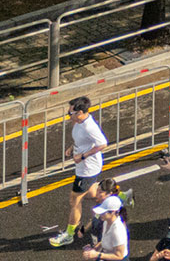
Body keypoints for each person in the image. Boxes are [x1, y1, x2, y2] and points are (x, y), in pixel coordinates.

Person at [50, 96, 109, 246]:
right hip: (85, 167)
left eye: (71, 113)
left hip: (87, 170)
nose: (68, 116)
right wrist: (72, 147)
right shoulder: (79, 122)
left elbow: (103, 144)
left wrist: (83, 156)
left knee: (74, 200)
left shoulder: (90, 126)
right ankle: (118, 195)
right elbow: (82, 139)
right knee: (91, 193)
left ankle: (69, 235)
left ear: (80, 112)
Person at [84, 195, 129, 261]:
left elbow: (119, 256)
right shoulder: (106, 222)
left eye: (103, 212)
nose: (100, 214)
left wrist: (97, 255)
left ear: (113, 212)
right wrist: (95, 248)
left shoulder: (117, 230)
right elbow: (106, 240)